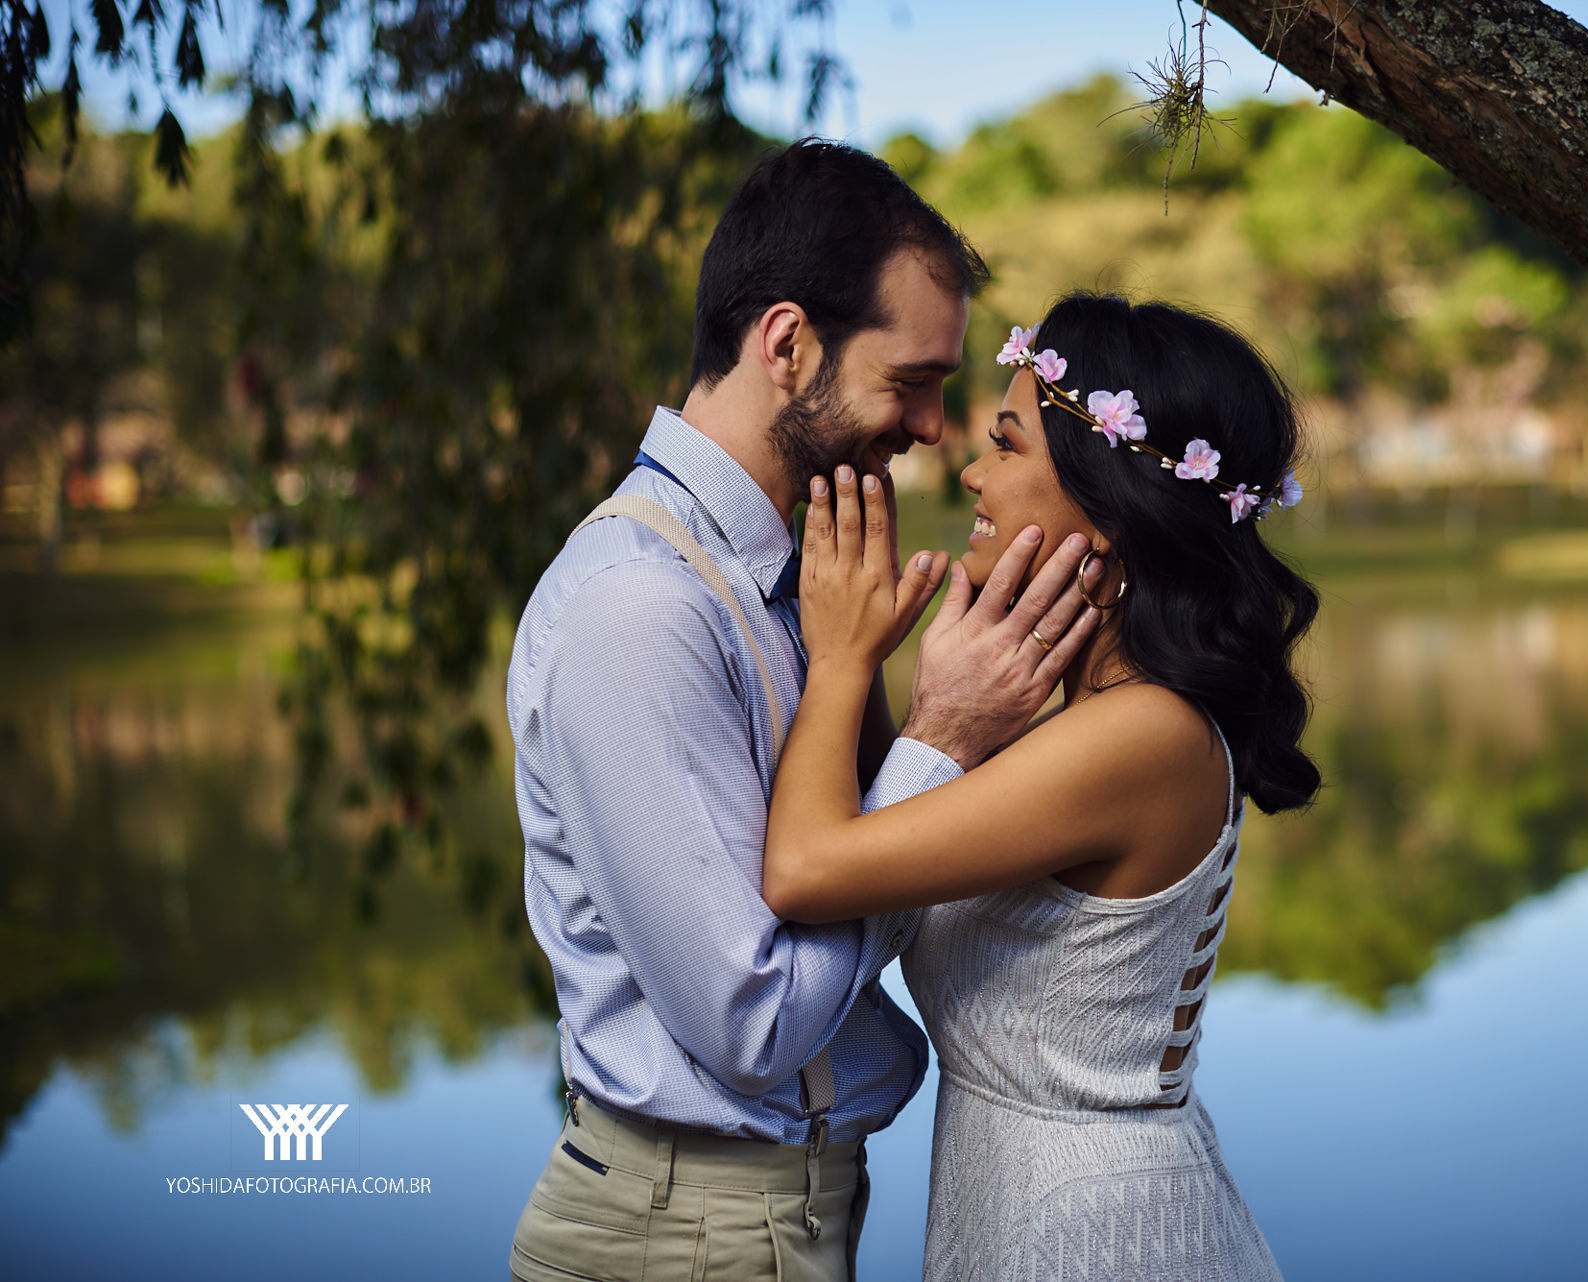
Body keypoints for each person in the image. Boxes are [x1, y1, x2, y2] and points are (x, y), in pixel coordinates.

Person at [505, 142, 1097, 1282]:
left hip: (772, 1219)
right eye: (913, 380)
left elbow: (865, 882)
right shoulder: (641, 608)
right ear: (788, 344)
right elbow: (754, 1023)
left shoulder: (800, 581)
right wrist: (938, 744)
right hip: (682, 1237)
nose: (935, 428)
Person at [763, 293, 1320, 1281]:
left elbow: (807, 869)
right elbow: (899, 834)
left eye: (1008, 445)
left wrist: (842, 662)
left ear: (1110, 504)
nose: (973, 471)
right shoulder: (1099, 726)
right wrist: (895, 678)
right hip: (1037, 1202)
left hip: (1093, 1233)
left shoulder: (1140, 737)